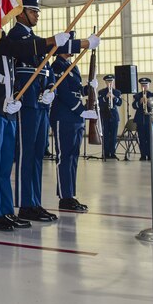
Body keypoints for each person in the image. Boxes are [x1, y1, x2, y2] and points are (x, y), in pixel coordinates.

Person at [0, 17, 77, 232]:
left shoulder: (3, 34)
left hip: (8, 105)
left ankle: (6, 210)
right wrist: (55, 41)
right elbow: (15, 49)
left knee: (4, 165)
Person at [7, 0, 64, 223]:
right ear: (21, 13)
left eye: (37, 12)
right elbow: (22, 57)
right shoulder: (16, 36)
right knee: (26, 154)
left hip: (40, 102)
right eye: (33, 11)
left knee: (37, 154)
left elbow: (47, 68)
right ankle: (24, 204)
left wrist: (51, 88)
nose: (37, 15)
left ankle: (34, 201)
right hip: (26, 102)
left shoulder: (35, 39)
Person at [50, 39, 101, 213]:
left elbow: (76, 91)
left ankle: (70, 195)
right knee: (64, 158)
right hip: (64, 117)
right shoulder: (57, 66)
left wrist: (89, 88)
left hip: (75, 118)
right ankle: (64, 198)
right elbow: (63, 93)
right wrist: (81, 110)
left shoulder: (72, 66)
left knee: (73, 158)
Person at [132, 77, 153, 161]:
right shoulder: (137, 95)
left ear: (149, 85)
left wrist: (149, 101)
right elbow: (134, 106)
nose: (144, 87)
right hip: (140, 120)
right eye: (142, 85)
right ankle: (143, 155)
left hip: (150, 120)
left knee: (150, 138)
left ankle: (151, 155)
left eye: (146, 85)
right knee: (142, 138)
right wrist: (139, 101)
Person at [98, 74, 123, 160]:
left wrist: (114, 98)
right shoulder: (101, 92)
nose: (110, 83)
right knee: (105, 135)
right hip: (105, 115)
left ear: (113, 82)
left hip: (114, 116)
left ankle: (112, 153)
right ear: (105, 82)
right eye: (108, 81)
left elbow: (119, 103)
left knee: (113, 135)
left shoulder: (117, 92)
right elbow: (100, 103)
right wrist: (106, 97)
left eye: (111, 81)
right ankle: (106, 153)